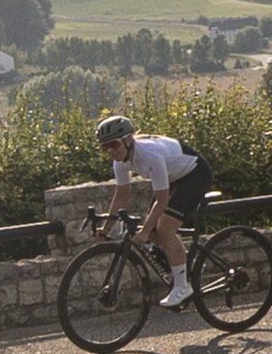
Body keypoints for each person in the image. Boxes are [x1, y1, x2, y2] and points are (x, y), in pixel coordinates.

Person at [91, 115, 216, 308]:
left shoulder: (150, 154)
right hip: (174, 177)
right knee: (154, 230)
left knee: (164, 229)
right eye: (104, 147)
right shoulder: (120, 162)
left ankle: (183, 287)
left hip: (195, 174)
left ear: (128, 140)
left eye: (114, 145)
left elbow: (162, 199)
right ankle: (186, 266)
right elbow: (121, 196)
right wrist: (106, 228)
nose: (110, 151)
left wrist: (145, 231)